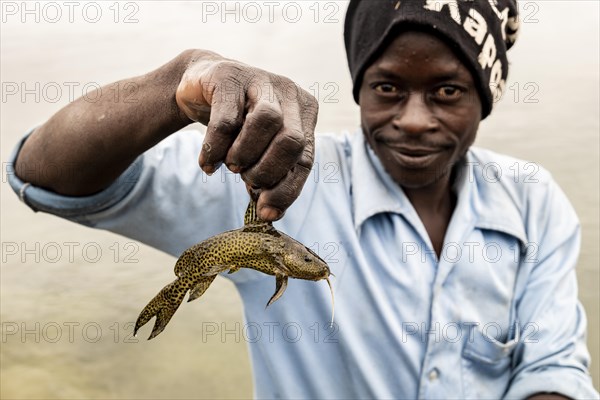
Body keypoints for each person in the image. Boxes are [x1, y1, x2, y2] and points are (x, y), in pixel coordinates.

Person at [9, 0, 599, 398]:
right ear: (360, 87)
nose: (416, 120)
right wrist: (177, 84)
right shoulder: (278, 178)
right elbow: (45, 173)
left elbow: (553, 365)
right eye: (388, 86)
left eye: (448, 90)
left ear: (484, 97)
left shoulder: (533, 200)